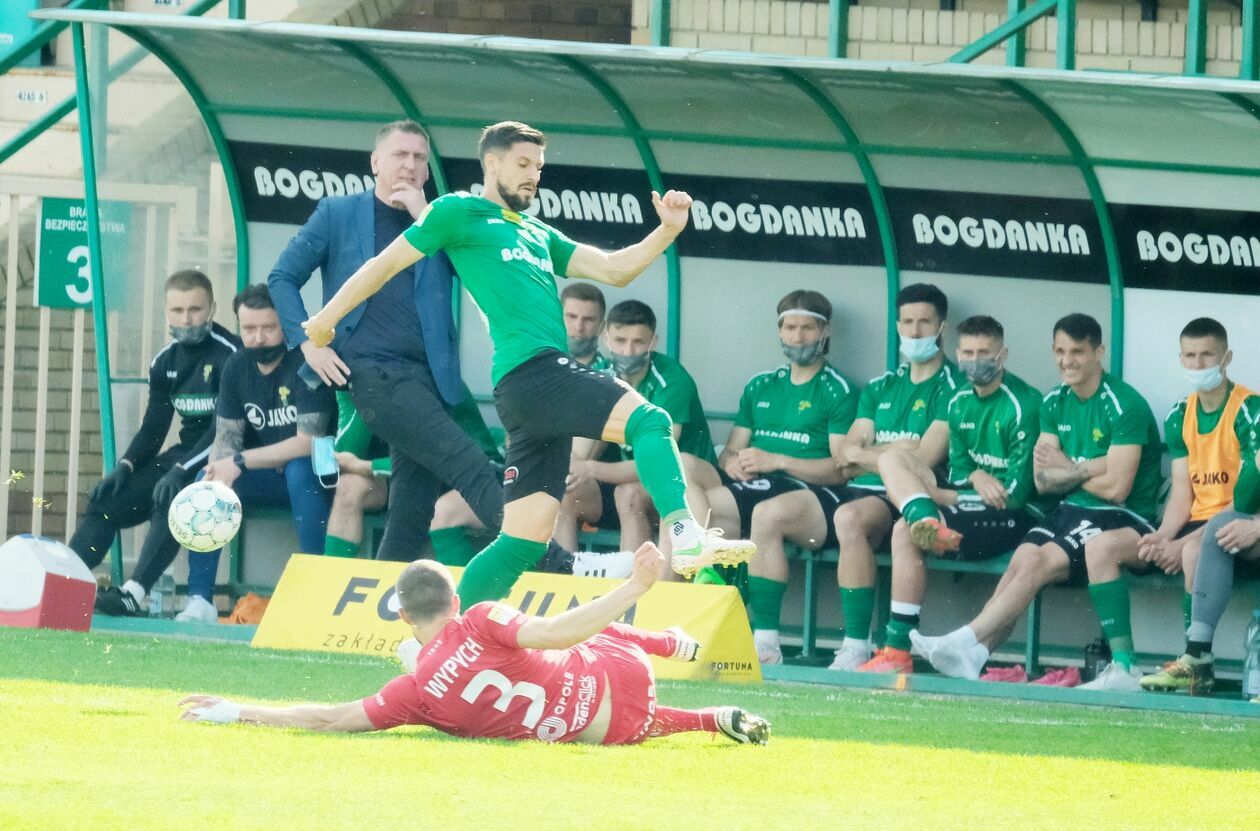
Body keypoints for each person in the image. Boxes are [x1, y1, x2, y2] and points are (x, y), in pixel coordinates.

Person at [302, 120, 754, 607]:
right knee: (651, 420)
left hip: (530, 392)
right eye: (523, 165)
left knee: (518, 544)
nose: (533, 176)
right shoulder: (456, 211)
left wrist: (667, 229)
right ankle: (685, 534)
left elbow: (615, 269)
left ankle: (437, 641)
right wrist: (324, 321)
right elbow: (382, 266)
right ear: (491, 164)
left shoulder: (538, 232)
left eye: (538, 167)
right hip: (535, 373)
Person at [178, 543, 771, 747]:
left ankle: (700, 718)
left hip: (612, 730)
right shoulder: (482, 617)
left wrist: (239, 711)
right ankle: (670, 647)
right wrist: (634, 589)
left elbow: (332, 720)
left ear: (405, 614)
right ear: (455, 600)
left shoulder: (413, 692)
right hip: (624, 673)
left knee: (579, 692)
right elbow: (563, 633)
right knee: (566, 627)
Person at [268, 119, 506, 562]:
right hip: (371, 371)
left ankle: (371, 614)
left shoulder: (445, 221)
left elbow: (482, 275)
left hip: (429, 380)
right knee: (469, 466)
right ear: (376, 162)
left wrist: (424, 216)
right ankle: (552, 561)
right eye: (400, 155)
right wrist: (308, 344)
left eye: (420, 158)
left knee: (410, 514)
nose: (410, 166)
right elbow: (282, 277)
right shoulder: (337, 214)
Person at [911, 313, 1164, 691]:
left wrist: (1070, 469)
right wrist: (1086, 469)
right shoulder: (1054, 401)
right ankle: (977, 652)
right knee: (1025, 558)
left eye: (1077, 352)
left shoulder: (1125, 404)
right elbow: (1044, 480)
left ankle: (966, 639)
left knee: (1040, 561)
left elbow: (1117, 489)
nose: (1067, 361)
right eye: (1060, 351)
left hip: (1122, 516)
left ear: (1099, 352)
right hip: (1071, 507)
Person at [856, 315, 1048, 675]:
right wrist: (974, 475)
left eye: (985, 353)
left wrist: (954, 494)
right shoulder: (959, 401)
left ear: (1002, 354)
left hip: (1014, 514)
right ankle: (897, 653)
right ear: (957, 353)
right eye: (969, 352)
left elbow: (1016, 494)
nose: (976, 361)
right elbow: (959, 469)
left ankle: (898, 646)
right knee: (895, 461)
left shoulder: (1024, 404)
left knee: (903, 530)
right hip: (971, 501)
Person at [696, 290, 860, 664]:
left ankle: (765, 643)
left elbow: (840, 468)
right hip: (756, 483)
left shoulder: (838, 389)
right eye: (790, 327)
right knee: (701, 499)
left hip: (810, 490)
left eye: (806, 328)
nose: (797, 336)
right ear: (780, 331)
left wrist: (778, 460)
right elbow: (730, 450)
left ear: (825, 331)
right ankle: (704, 621)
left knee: (764, 515)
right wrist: (732, 463)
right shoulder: (761, 385)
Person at [84, 270, 240, 616]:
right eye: (178, 310)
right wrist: (125, 465)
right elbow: (154, 427)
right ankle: (63, 584)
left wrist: (182, 469)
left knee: (173, 496)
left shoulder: (231, 355)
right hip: (184, 455)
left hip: (224, 455)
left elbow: (222, 430)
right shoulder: (164, 361)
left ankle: (133, 593)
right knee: (106, 500)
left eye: (195, 309)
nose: (187, 318)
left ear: (212, 309)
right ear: (167, 311)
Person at [827, 283, 963, 670]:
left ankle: (872, 645)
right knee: (848, 516)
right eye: (907, 322)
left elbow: (921, 460)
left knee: (852, 516)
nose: (915, 331)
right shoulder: (881, 386)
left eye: (924, 323)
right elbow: (844, 456)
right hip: (866, 494)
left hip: (913, 495)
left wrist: (871, 453)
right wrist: (893, 451)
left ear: (941, 328)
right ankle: (855, 644)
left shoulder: (953, 388)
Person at [181, 285, 335, 622]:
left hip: (321, 474)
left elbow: (309, 442)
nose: (259, 338)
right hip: (271, 476)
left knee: (299, 468)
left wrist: (239, 461)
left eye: (269, 328)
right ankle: (199, 601)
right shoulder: (236, 366)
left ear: (285, 326)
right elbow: (227, 438)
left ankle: (319, 593)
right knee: (206, 483)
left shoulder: (306, 362)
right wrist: (217, 471)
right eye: (249, 329)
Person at [1139, 318, 1260, 695]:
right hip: (1215, 524)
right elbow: (1181, 493)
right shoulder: (1180, 414)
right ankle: (1194, 663)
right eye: (1190, 355)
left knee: (1197, 548)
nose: (1198, 363)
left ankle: (1196, 660)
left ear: (1226, 358)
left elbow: (1244, 497)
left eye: (1206, 354)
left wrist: (1254, 525)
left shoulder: (1249, 410)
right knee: (1191, 545)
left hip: (1245, 520)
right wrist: (1162, 537)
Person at [560, 300, 721, 576]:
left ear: (653, 342)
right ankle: (564, 579)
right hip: (636, 481)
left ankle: (652, 595)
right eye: (620, 340)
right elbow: (580, 450)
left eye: (638, 342)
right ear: (606, 337)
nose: (628, 351)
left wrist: (591, 468)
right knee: (565, 493)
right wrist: (574, 466)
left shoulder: (672, 380)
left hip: (694, 481)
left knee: (630, 491)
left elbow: (662, 462)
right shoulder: (602, 379)